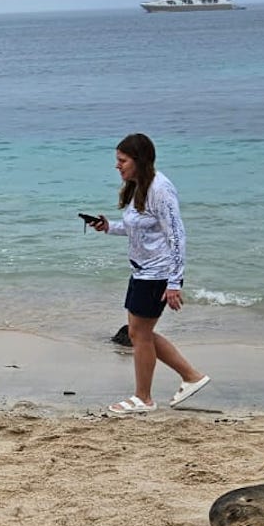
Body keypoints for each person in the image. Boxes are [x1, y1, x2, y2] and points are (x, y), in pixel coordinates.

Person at [82, 133, 210, 415]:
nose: (117, 166)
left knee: (139, 334)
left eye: (122, 160)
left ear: (139, 161)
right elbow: (138, 227)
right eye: (117, 160)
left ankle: (144, 398)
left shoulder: (160, 190)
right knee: (140, 333)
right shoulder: (138, 187)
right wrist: (108, 227)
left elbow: (177, 236)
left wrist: (174, 282)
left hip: (158, 273)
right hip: (142, 271)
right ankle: (191, 376)